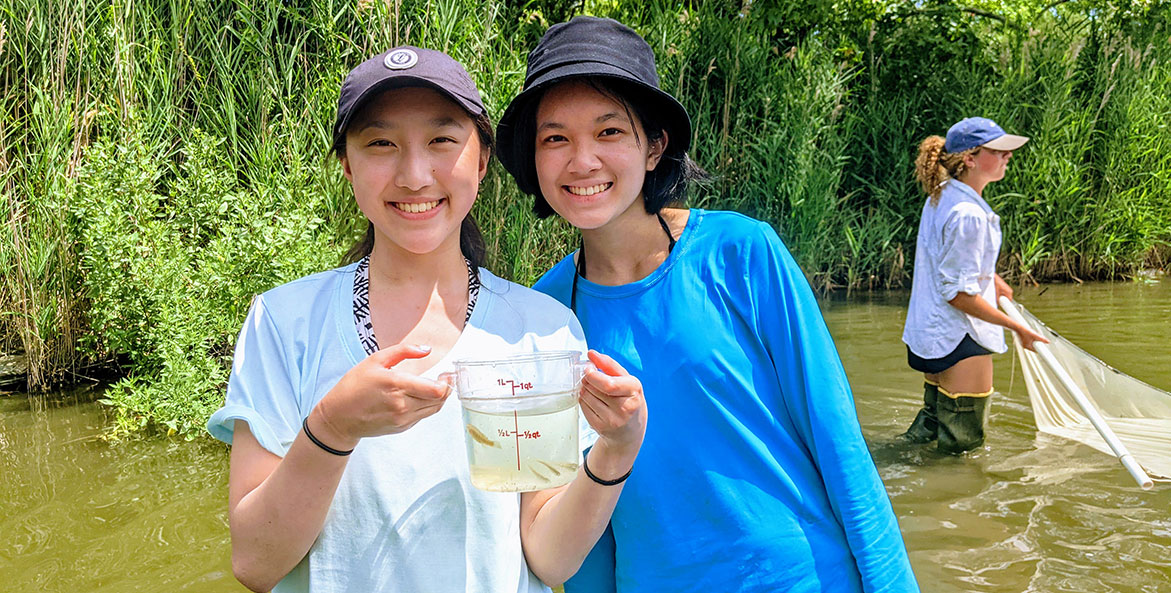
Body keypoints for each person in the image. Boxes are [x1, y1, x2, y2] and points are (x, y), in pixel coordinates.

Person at [495, 16, 918, 593]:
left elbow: (837, 438)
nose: (582, 161)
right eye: (555, 138)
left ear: (654, 147)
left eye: (610, 132)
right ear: (535, 159)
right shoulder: (543, 315)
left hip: (801, 578)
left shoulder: (743, 253)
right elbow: (574, 529)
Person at [206, 45, 647, 593]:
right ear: (347, 165)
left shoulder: (539, 329)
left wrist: (616, 449)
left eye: (442, 140)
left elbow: (547, 557)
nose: (415, 175)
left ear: (481, 161)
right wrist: (332, 428)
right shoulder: (285, 321)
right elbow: (255, 563)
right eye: (381, 144)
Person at [901, 117, 1047, 453]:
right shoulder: (969, 213)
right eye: (998, 152)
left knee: (930, 431)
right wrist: (1016, 327)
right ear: (970, 159)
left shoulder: (943, 195)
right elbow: (958, 295)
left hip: (932, 336)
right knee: (962, 449)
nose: (1007, 157)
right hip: (960, 338)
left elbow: (946, 259)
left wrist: (991, 278)